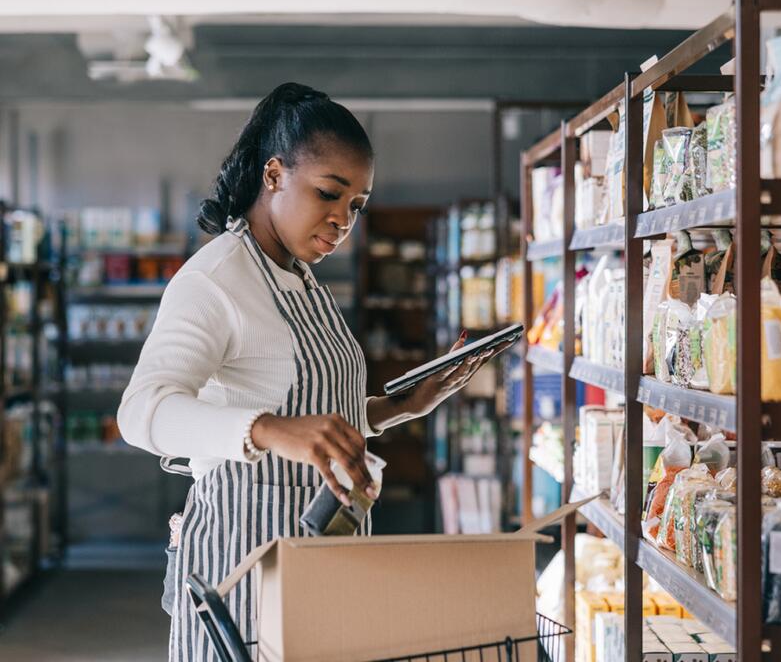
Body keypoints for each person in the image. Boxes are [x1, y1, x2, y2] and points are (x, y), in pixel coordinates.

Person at [118, 82, 504, 661]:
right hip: (244, 571)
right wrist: (266, 430)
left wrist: (401, 406)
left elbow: (315, 418)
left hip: (322, 566)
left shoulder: (301, 278)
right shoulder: (215, 280)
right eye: (329, 194)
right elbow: (140, 412)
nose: (342, 220)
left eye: (357, 206)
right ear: (273, 176)